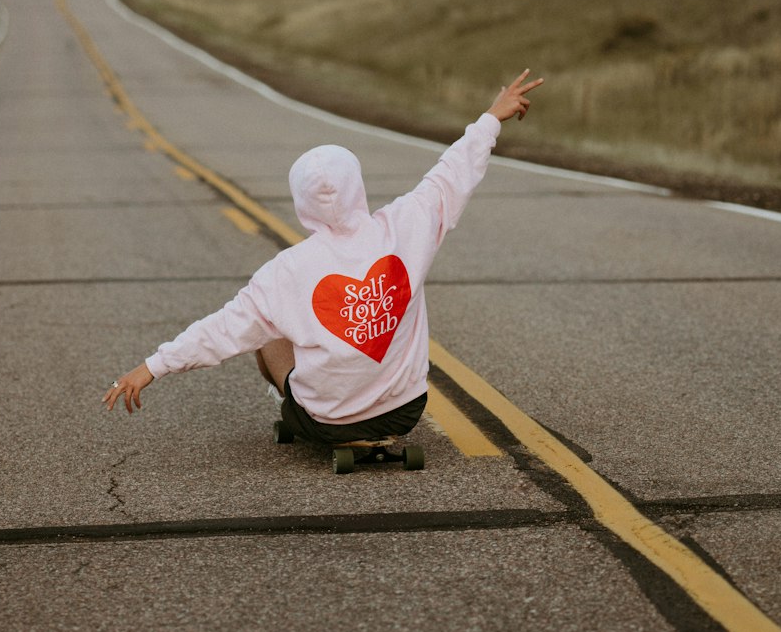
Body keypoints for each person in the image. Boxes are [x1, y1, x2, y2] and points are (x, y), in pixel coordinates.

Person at [103, 69, 543, 441]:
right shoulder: (407, 224)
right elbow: (452, 174)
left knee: (269, 332)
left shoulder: (287, 271)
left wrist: (152, 367)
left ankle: (291, 406)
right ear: (358, 185)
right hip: (404, 413)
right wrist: (489, 118)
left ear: (301, 203)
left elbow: (223, 330)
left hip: (325, 423)